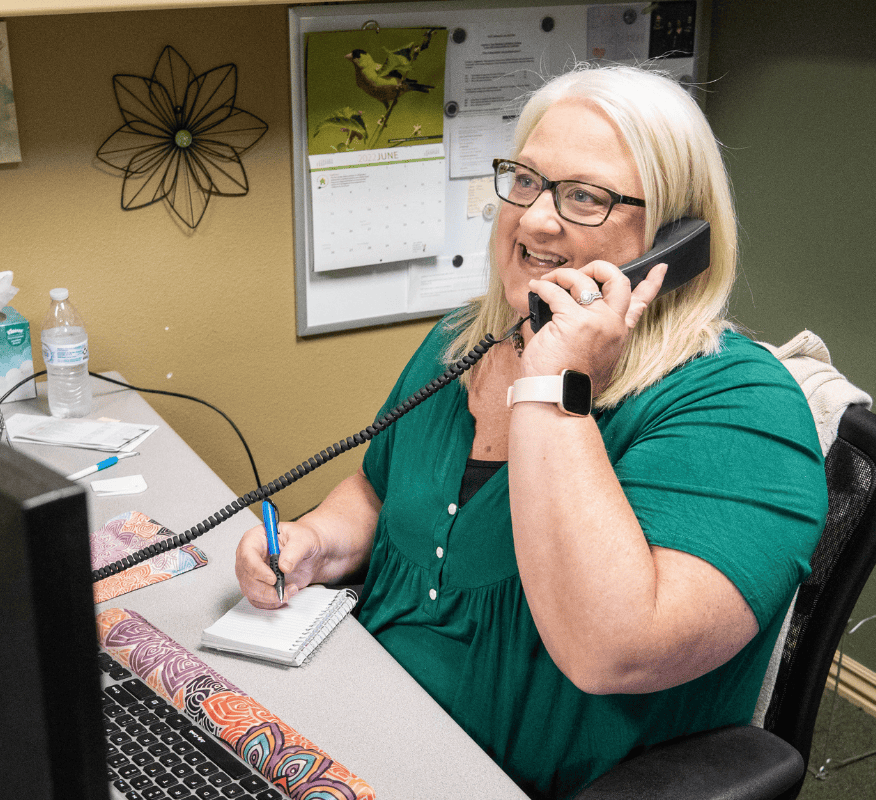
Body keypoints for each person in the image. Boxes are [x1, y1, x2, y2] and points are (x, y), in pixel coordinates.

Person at [235, 63, 828, 799]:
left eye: (584, 197)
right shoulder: (465, 342)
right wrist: (317, 542)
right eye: (526, 180)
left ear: (677, 236)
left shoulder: (740, 408)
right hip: (356, 723)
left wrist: (555, 381)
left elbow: (610, 649)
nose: (537, 219)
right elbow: (378, 488)